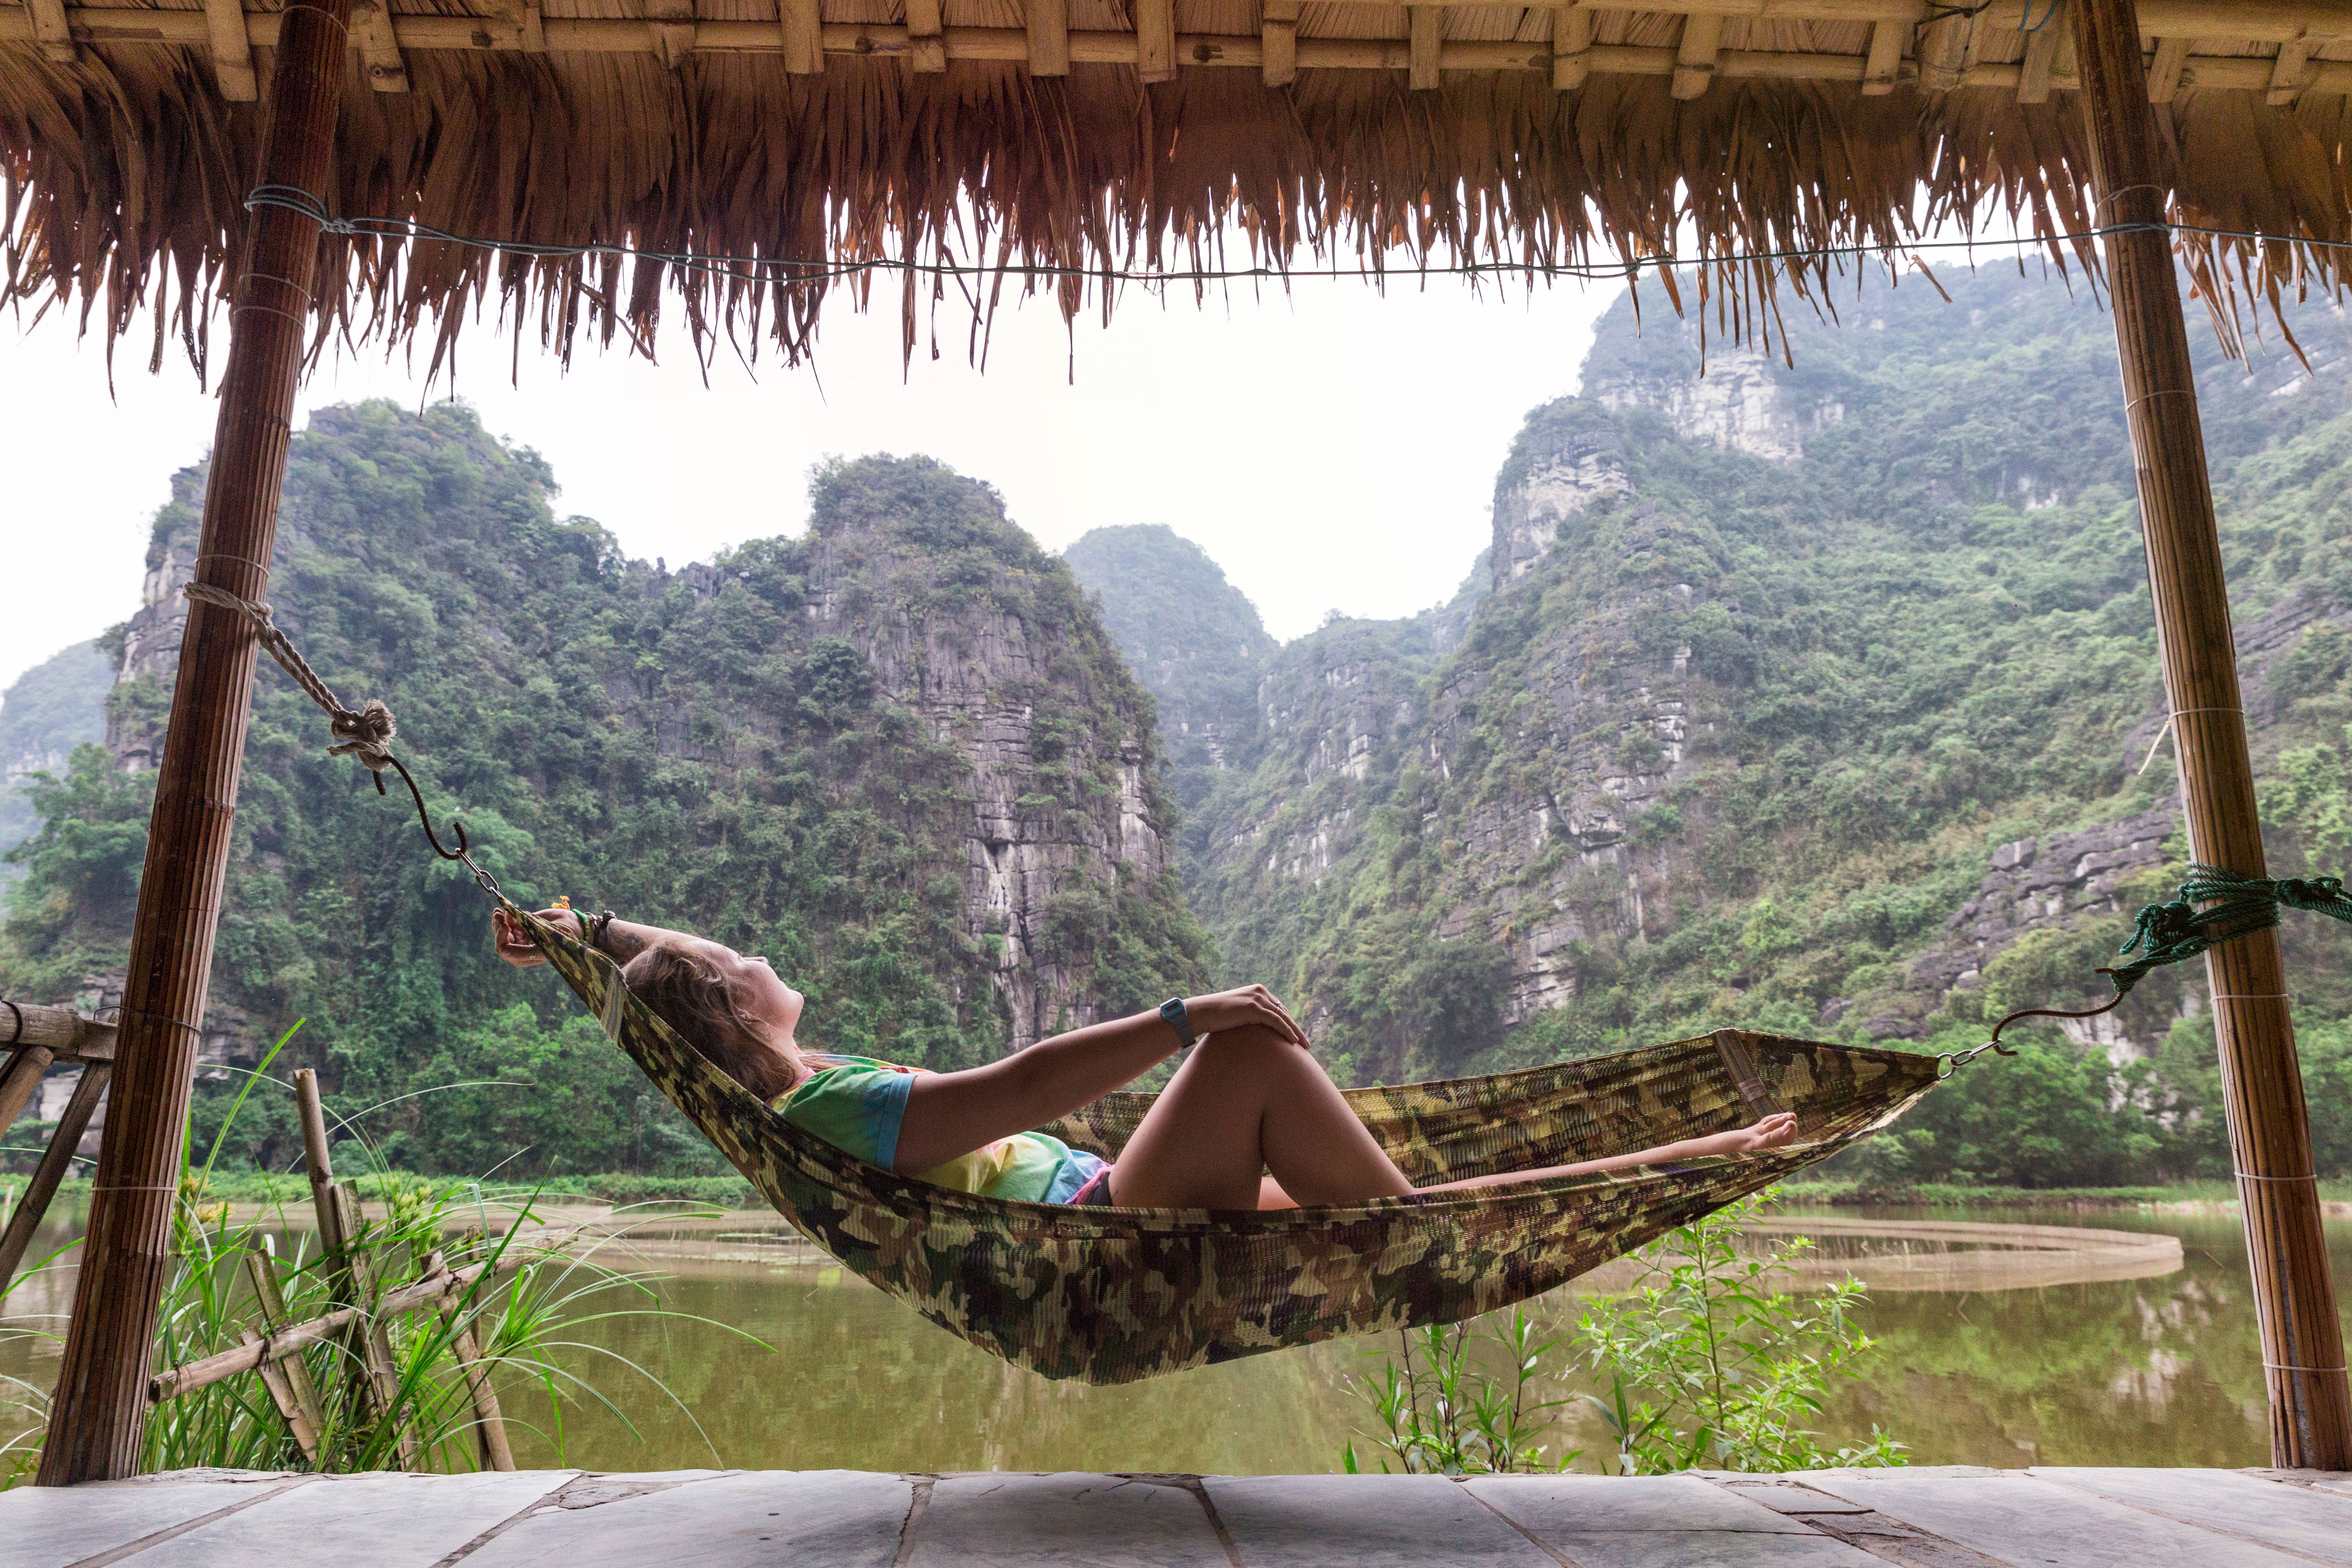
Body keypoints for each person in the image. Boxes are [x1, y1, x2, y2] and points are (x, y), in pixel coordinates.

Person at [493, 906, 1800, 1210]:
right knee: (1283, 1095)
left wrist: (590, 935)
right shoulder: (833, 1113)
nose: (748, 951)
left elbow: (695, 970)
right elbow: (1018, 1088)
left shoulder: (807, 1092)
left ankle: (1701, 1152)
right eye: (733, 964)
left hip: (1122, 1195)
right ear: (732, 1005)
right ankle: (1695, 1154)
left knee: (1411, 1207)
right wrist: (1194, 1016)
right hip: (1109, 1218)